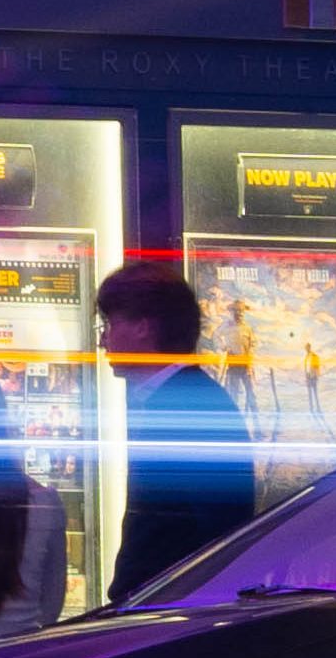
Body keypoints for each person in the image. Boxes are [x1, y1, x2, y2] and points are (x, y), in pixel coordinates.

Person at [98, 258, 259, 603]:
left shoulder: (184, 407)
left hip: (170, 609)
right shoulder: (186, 398)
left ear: (143, 327)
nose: (103, 339)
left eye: (110, 324)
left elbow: (208, 533)